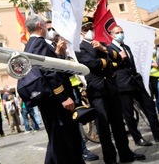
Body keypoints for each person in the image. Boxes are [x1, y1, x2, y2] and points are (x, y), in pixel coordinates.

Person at [76, 16, 145, 164]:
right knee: (103, 127)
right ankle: (110, 158)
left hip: (112, 88)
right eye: (86, 29)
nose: (89, 31)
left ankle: (125, 153)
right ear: (81, 32)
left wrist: (103, 50)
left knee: (118, 124)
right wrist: (109, 62)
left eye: (91, 28)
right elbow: (92, 64)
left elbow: (119, 59)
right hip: (98, 90)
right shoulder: (80, 48)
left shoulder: (102, 44)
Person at [24, 15, 84, 164]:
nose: (47, 28)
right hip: (55, 101)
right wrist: (63, 97)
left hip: (49, 99)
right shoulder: (39, 43)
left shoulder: (31, 44)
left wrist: (57, 54)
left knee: (57, 138)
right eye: (46, 25)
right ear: (40, 25)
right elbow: (48, 71)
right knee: (63, 139)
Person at [46, 21, 99, 162]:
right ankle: (81, 151)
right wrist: (57, 53)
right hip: (59, 95)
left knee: (73, 124)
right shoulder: (46, 47)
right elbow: (51, 71)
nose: (52, 31)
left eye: (53, 28)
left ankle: (81, 151)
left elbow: (68, 67)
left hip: (71, 89)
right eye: (49, 29)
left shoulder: (61, 45)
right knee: (61, 131)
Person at [108, 25, 159, 146]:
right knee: (129, 114)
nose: (120, 34)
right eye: (117, 32)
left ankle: (158, 134)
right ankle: (138, 139)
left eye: (122, 31)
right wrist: (119, 59)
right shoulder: (110, 49)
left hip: (135, 81)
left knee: (149, 106)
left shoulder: (126, 47)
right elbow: (110, 66)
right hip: (122, 84)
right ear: (112, 35)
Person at [149, 48, 159, 119]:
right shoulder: (149, 59)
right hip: (156, 80)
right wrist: (158, 64)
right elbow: (158, 65)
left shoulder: (157, 57)